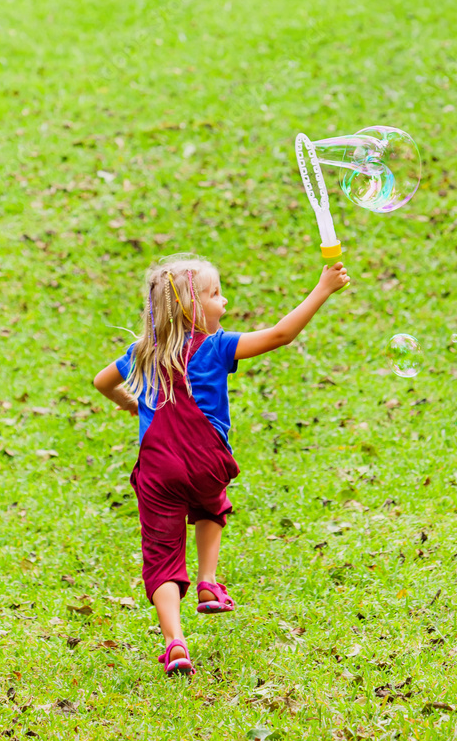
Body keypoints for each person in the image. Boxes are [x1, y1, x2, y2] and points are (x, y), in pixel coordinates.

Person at [93, 254, 349, 677]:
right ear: (191, 308)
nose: (224, 301)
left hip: (158, 468)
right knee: (211, 501)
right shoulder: (216, 345)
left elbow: (102, 382)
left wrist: (132, 404)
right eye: (215, 294)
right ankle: (209, 580)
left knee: (161, 557)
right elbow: (282, 334)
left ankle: (175, 641)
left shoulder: (141, 352)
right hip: (206, 459)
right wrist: (322, 288)